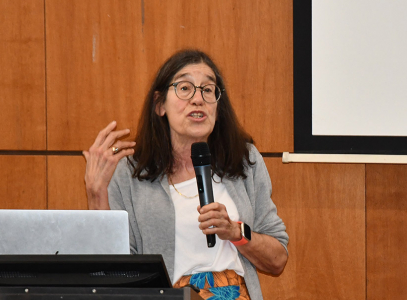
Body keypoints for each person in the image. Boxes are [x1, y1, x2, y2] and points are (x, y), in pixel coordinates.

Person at [83, 49, 288, 300]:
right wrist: (96, 196)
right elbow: (112, 273)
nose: (198, 99)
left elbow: (278, 259)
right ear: (160, 105)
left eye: (208, 90)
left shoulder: (244, 161)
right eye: (184, 88)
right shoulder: (131, 174)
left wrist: (236, 232)